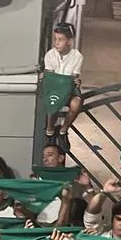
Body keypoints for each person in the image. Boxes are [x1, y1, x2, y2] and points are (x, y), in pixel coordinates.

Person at [42, 22, 84, 152]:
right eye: (55, 39)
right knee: (53, 101)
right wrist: (67, 79)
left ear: (69, 41)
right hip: (55, 89)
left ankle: (63, 130)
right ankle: (49, 131)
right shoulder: (50, 55)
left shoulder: (77, 57)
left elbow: (73, 77)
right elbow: (51, 78)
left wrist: (71, 80)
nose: (57, 43)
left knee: (77, 103)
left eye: (61, 40)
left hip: (68, 89)